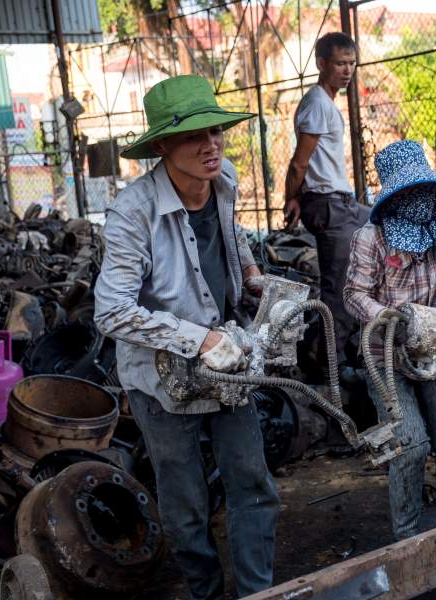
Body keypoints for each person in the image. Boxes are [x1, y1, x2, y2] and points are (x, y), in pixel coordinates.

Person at [94, 74, 279, 600]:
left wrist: (251, 276)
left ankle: (256, 592)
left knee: (252, 482)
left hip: (227, 358)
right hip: (160, 377)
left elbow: (233, 236)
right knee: (184, 502)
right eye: (193, 135)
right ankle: (204, 590)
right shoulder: (133, 213)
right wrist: (195, 339)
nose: (210, 144)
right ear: (161, 146)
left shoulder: (226, 180)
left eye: (216, 130)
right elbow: (110, 311)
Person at [343, 140, 436, 541]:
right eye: (406, 192)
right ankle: (408, 544)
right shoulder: (371, 238)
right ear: (393, 196)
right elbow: (353, 294)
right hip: (387, 357)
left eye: (421, 189)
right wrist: (385, 317)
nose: (417, 199)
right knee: (411, 448)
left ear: (433, 187)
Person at [284, 31, 368, 368]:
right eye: (339, 63)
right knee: (339, 292)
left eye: (351, 63)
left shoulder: (325, 102)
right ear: (322, 64)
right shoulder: (318, 104)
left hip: (341, 203)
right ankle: (326, 370)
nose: (347, 70)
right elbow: (299, 161)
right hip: (329, 205)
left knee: (385, 226)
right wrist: (292, 198)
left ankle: (351, 344)